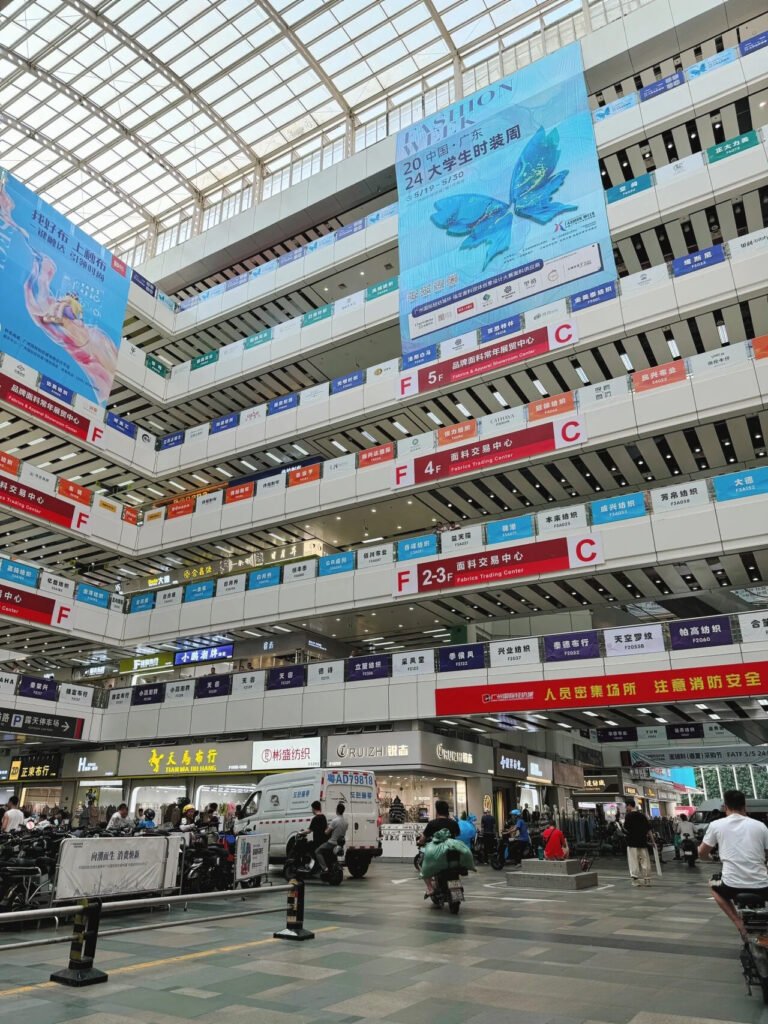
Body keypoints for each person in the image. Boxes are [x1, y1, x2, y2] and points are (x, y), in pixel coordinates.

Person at [699, 789, 768, 942]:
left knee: (712, 885)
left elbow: (702, 853)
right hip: (763, 886)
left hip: (732, 885)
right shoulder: (760, 826)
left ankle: (738, 923)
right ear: (745, 806)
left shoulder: (716, 825)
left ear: (725, 807)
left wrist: (709, 858)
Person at [417, 800, 461, 895]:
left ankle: (430, 888)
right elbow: (458, 834)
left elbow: (422, 839)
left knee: (422, 864)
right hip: (451, 854)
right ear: (447, 811)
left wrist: (420, 842)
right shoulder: (453, 823)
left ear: (437, 811)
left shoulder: (432, 824)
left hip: (436, 856)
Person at [624, 797, 652, 887]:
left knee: (633, 861)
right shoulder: (642, 815)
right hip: (642, 842)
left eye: (626, 806)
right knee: (645, 861)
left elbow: (626, 828)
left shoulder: (628, 816)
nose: (626, 808)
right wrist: (653, 841)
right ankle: (647, 880)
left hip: (632, 842)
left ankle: (635, 881)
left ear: (629, 805)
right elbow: (649, 829)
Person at [316, 802, 348, 874]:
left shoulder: (335, 821)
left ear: (336, 810)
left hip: (332, 843)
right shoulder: (346, 822)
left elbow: (326, 832)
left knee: (317, 851)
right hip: (339, 845)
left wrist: (327, 827)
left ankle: (325, 868)